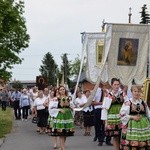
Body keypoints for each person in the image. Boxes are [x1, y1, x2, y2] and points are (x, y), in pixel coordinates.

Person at [120, 85, 150, 150]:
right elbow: (122, 115)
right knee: (133, 146)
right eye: (135, 91)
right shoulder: (128, 103)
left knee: (142, 146)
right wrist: (132, 117)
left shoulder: (144, 103)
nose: (137, 93)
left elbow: (148, 115)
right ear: (132, 92)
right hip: (132, 127)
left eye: (139, 91)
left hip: (144, 127)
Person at [101, 78, 128, 150]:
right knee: (115, 136)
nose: (116, 86)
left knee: (123, 135)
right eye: (115, 84)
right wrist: (105, 121)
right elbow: (105, 108)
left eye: (118, 84)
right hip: (112, 118)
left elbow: (128, 104)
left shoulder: (123, 94)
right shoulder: (108, 95)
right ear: (112, 85)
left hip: (121, 117)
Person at [49, 86, 74, 150]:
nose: (62, 90)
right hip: (60, 116)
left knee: (65, 133)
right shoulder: (56, 99)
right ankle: (63, 148)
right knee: (61, 133)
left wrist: (70, 107)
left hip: (67, 115)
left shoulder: (69, 98)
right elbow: (51, 108)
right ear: (59, 91)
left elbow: (72, 107)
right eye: (61, 89)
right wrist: (59, 110)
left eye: (63, 89)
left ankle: (62, 146)